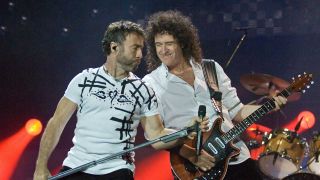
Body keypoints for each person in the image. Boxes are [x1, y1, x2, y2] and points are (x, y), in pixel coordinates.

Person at [33, 20, 208, 180]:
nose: (140, 54)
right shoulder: (83, 80)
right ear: (115, 47)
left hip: (118, 170)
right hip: (76, 166)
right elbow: (56, 123)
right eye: (135, 48)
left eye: (142, 48)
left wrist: (186, 131)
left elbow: (157, 135)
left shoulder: (143, 89)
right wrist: (40, 167)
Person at [143, 10, 287, 179]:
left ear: (182, 43)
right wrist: (191, 155)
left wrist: (269, 106)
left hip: (236, 157)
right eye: (158, 44)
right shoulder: (151, 83)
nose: (163, 50)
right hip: (194, 167)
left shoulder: (210, 69)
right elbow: (156, 135)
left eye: (169, 43)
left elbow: (237, 112)